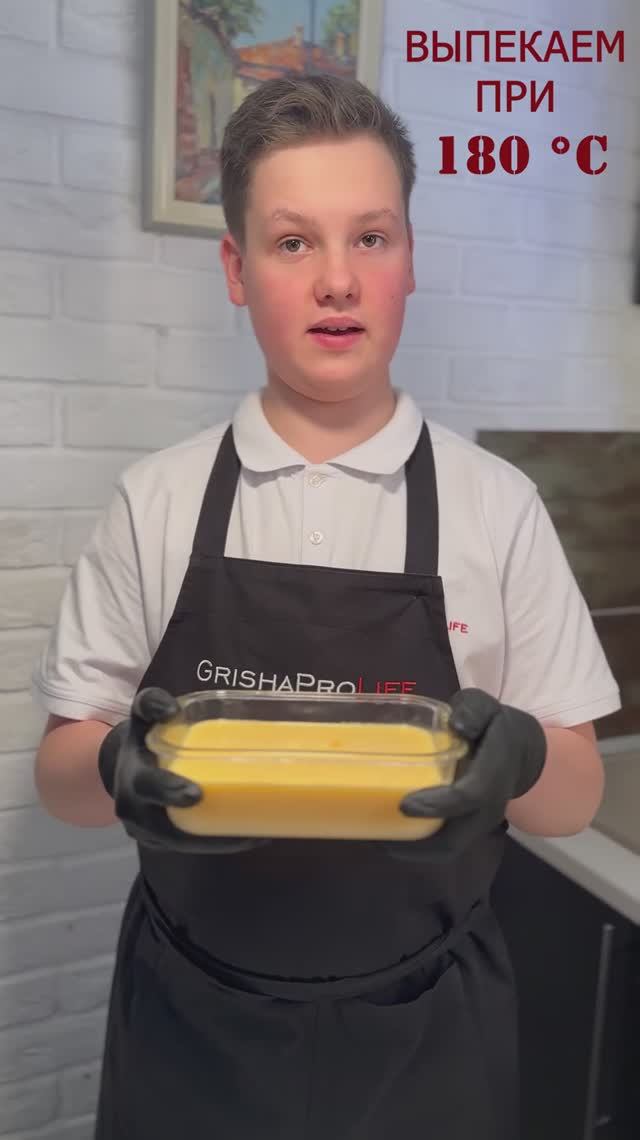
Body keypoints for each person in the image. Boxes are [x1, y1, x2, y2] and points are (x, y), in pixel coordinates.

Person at [32, 74, 620, 1140]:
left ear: (411, 260)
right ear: (236, 270)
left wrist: (526, 758)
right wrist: (115, 764)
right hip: (190, 1030)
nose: (337, 280)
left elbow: (575, 798)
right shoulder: (156, 501)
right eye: (293, 242)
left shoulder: (497, 507)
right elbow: (60, 776)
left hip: (430, 1040)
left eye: (372, 238)